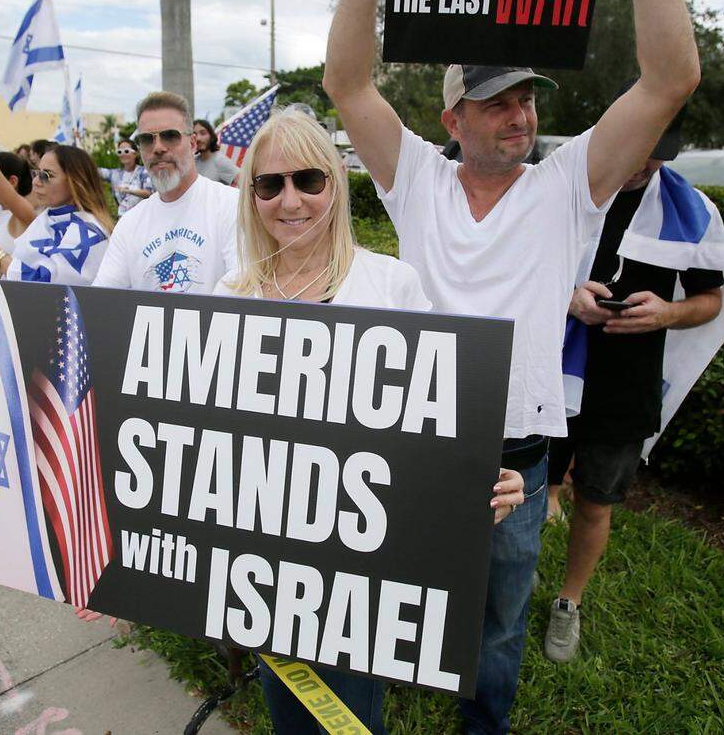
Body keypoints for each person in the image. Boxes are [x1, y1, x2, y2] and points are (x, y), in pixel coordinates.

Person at [323, 0, 700, 732]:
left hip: (517, 454)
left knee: (498, 623)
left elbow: (670, 80)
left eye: (526, 97)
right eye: (496, 101)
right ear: (451, 120)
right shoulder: (416, 178)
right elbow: (347, 82)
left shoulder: (568, 185)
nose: (519, 113)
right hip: (413, 436)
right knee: (391, 604)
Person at [215, 111, 525, 731]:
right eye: (269, 185)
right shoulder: (230, 295)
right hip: (267, 550)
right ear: (251, 198)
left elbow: (442, 420)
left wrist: (486, 479)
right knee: (290, 711)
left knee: (351, 713)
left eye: (308, 179)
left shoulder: (392, 285)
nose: (291, 200)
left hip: (363, 554)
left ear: (335, 184)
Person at [543, 110, 724, 663]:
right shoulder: (563, 186)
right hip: (548, 369)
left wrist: (666, 313)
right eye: (635, 146)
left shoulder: (688, 210)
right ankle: (508, 581)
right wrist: (569, 294)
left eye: (655, 153)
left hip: (625, 386)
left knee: (596, 503)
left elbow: (711, 299)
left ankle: (568, 604)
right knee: (523, 491)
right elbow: (513, 264)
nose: (641, 163)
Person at [0, 94, 112, 285]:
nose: (36, 181)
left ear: (75, 181)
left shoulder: (88, 230)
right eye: (37, 173)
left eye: (47, 175)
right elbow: (8, 269)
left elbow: (43, 285)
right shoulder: (47, 218)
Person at [92, 92, 238, 293]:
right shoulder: (129, 223)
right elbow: (102, 298)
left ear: (193, 143)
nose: (158, 147)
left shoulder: (231, 205)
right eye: (146, 139)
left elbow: (241, 288)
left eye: (170, 136)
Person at [98, 137, 152, 216]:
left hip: (141, 217)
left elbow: (148, 193)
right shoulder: (114, 174)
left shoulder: (143, 172)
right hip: (123, 219)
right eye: (119, 152)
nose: (123, 154)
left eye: (126, 151)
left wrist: (128, 190)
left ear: (135, 154)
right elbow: (92, 169)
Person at [193, 118, 240, 186]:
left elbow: (244, 181)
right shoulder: (193, 161)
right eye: (194, 134)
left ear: (211, 136)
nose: (198, 138)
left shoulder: (219, 160)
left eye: (203, 133)